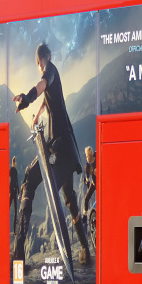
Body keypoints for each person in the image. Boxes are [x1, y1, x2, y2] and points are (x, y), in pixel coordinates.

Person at [12, 43, 90, 266]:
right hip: (59, 146)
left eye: (40, 62)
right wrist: (35, 117)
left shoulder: (51, 71)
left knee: (36, 182)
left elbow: (41, 85)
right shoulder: (51, 83)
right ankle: (84, 248)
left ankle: (19, 257)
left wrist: (27, 97)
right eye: (38, 64)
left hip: (60, 148)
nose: (40, 66)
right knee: (68, 198)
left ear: (46, 57)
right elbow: (46, 100)